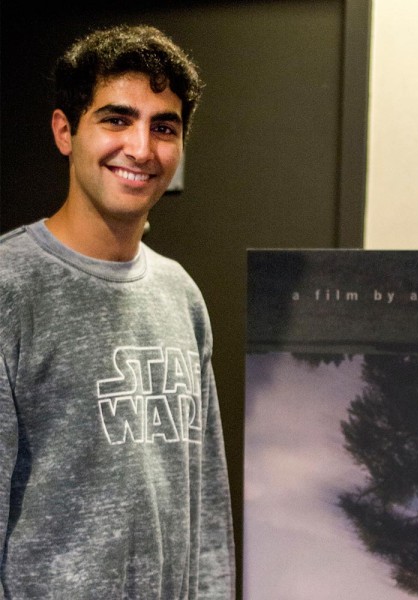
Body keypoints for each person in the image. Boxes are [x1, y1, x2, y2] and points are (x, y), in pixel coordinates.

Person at [0, 24, 235, 598]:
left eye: (164, 127)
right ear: (65, 131)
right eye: (115, 119)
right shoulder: (9, 286)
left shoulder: (181, 295)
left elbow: (206, 510)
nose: (141, 147)